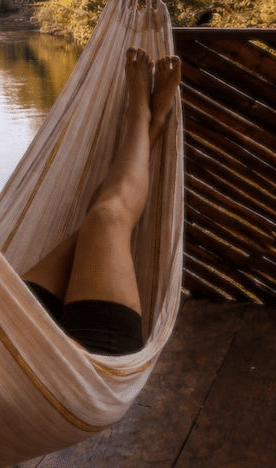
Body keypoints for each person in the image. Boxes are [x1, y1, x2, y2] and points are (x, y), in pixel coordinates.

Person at [20, 47, 181, 355]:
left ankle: (145, 133)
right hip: (85, 359)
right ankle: (143, 122)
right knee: (105, 217)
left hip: (11, 326)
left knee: (95, 223)